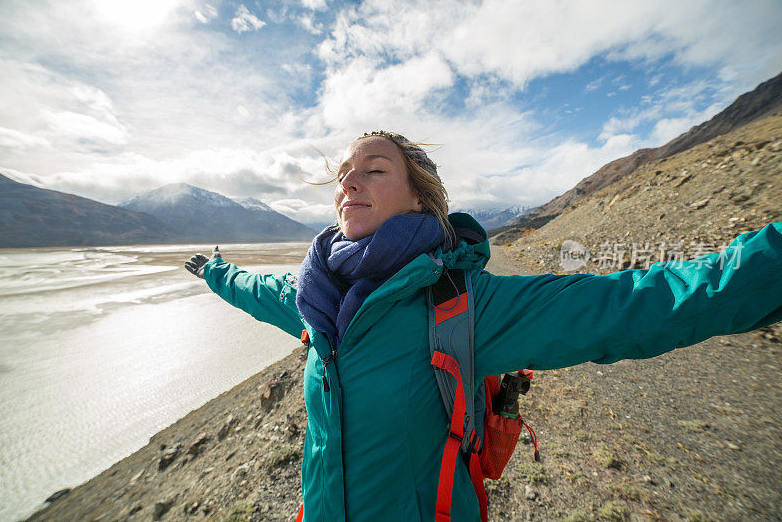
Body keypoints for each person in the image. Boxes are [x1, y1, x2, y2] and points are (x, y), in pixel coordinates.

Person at [186, 130, 782, 521]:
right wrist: (215, 271)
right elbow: (259, 290)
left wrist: (768, 266)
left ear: (420, 200)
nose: (350, 181)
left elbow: (626, 304)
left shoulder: (463, 303)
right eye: (345, 171)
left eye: (373, 169)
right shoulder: (317, 297)